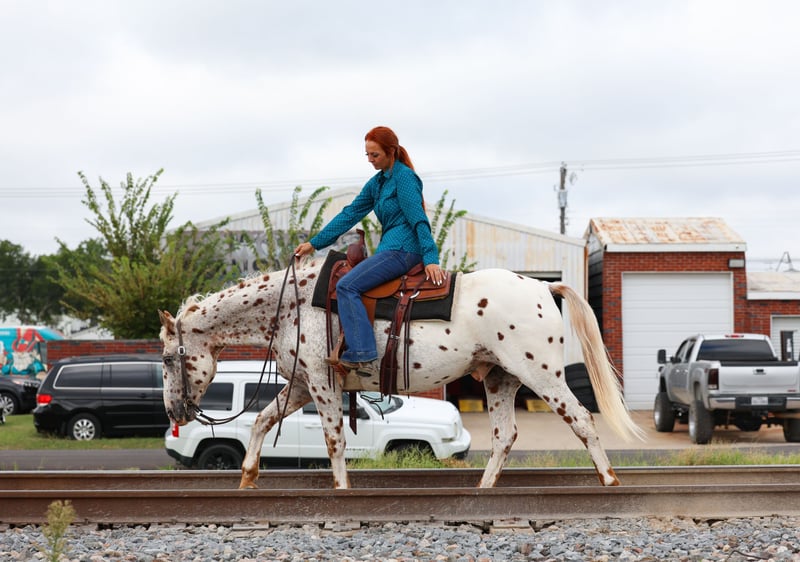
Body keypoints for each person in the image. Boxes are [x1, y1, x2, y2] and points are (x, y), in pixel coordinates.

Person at [294, 126, 445, 378]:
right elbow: (350, 214)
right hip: (390, 249)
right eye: (367, 155)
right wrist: (314, 243)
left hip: (404, 250)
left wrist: (431, 258)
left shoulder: (405, 178)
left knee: (346, 286)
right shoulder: (377, 184)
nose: (370, 160)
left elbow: (419, 219)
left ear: (391, 152)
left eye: (375, 155)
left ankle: (362, 353)